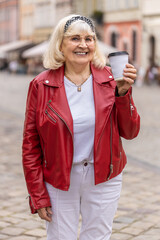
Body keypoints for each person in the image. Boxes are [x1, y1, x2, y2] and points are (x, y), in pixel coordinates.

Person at [22, 14, 140, 240]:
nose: (83, 45)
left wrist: (123, 93)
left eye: (89, 39)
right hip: (58, 178)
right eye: (75, 38)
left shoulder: (111, 79)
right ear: (60, 44)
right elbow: (30, 144)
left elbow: (131, 132)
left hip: (104, 176)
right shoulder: (41, 84)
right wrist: (37, 194)